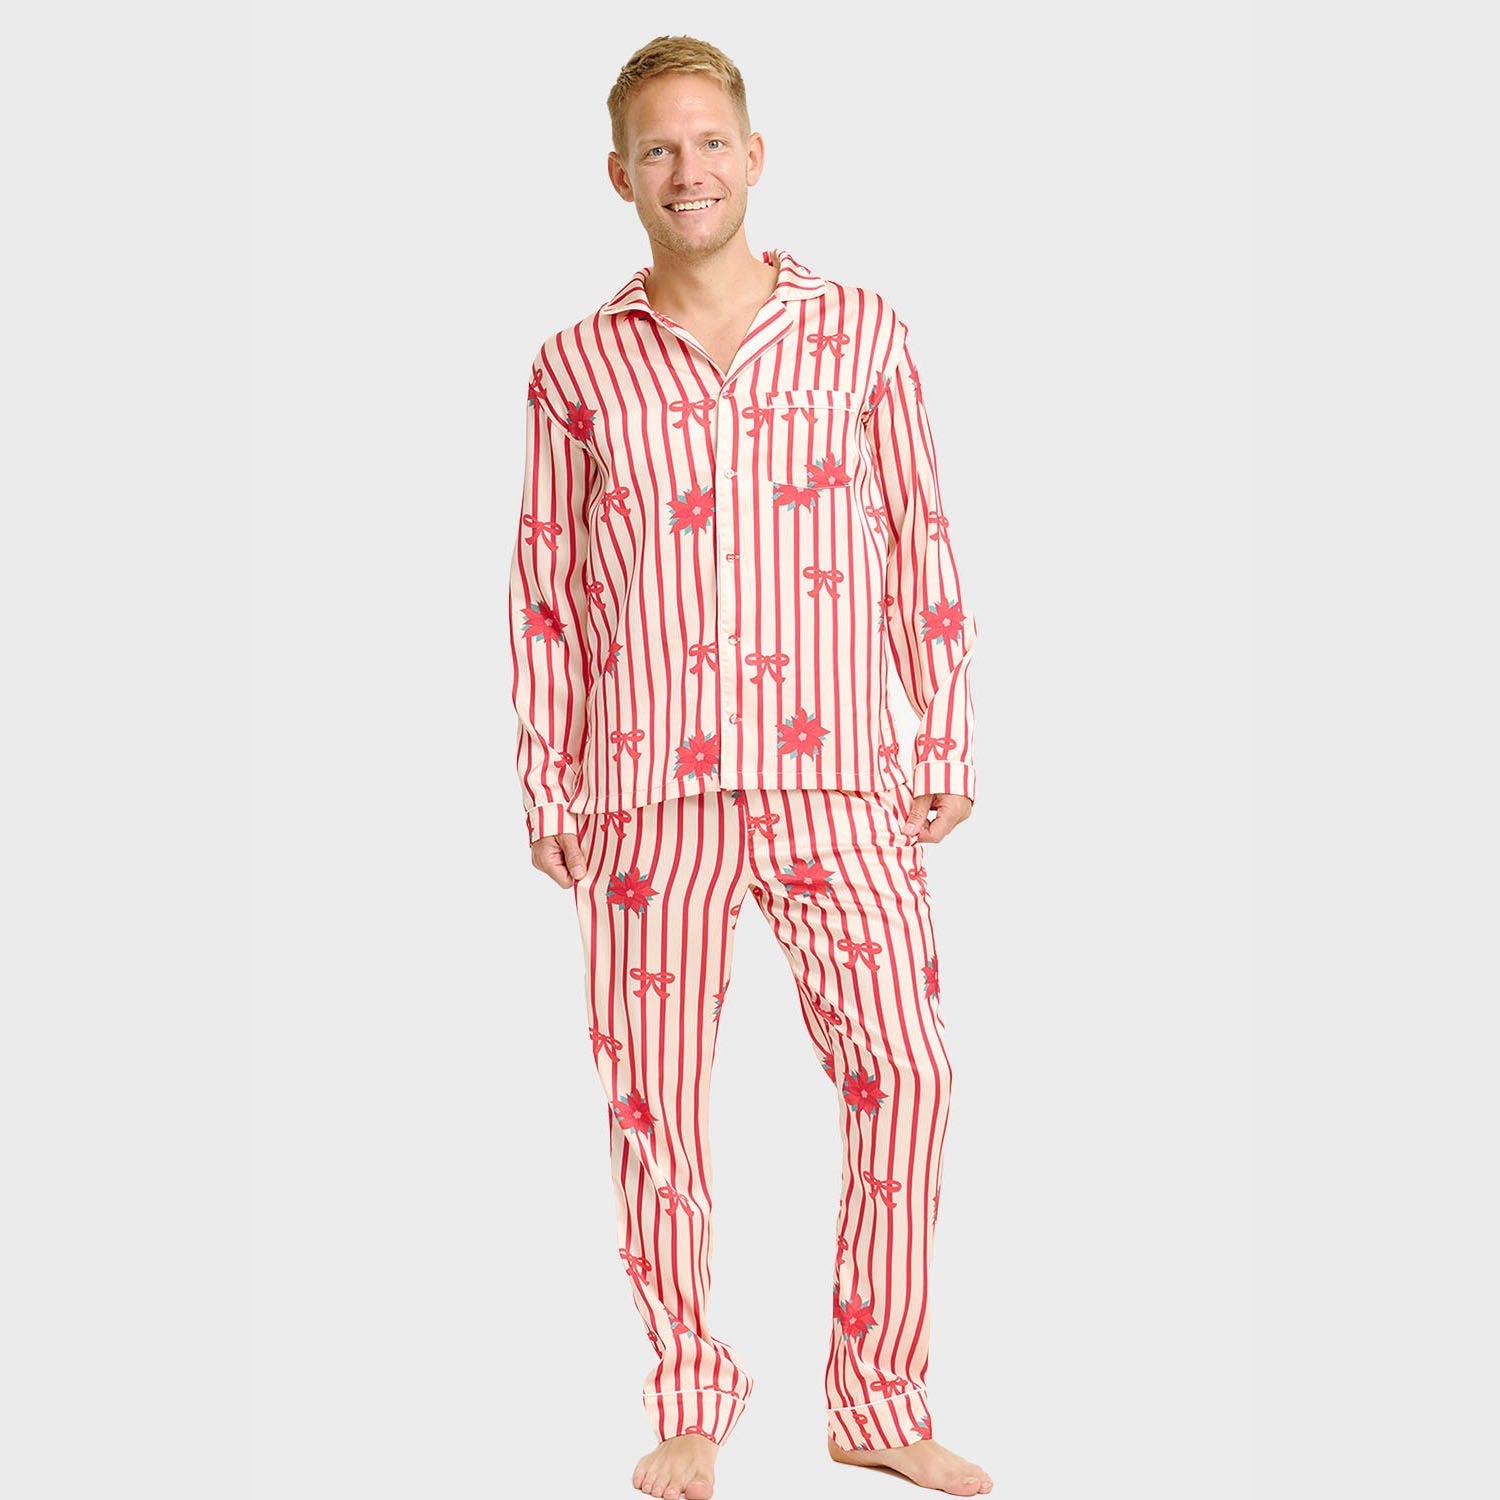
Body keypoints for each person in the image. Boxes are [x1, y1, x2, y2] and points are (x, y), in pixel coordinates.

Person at [508, 34, 991, 1500]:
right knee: (654, 1105)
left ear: (755, 156)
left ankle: (877, 1397)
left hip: (838, 768)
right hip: (644, 786)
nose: (688, 170)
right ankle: (691, 1394)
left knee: (907, 1071)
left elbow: (918, 535)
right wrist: (548, 780)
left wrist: (945, 724)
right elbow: (545, 588)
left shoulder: (861, 332)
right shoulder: (576, 366)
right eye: (657, 149)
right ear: (618, 176)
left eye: (710, 142)